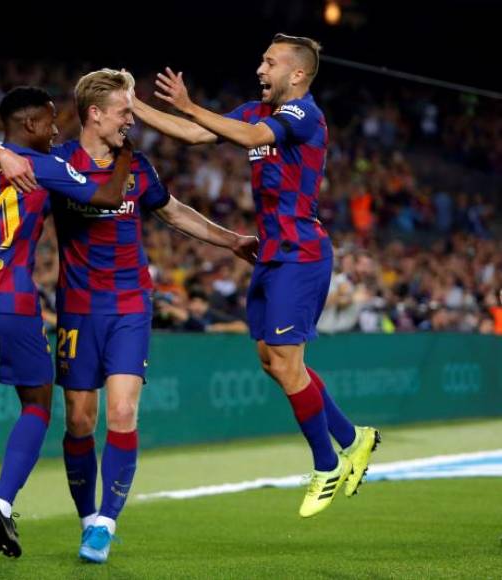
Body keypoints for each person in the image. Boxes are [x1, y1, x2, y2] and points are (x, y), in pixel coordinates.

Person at [0, 69, 256, 562]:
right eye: (125, 110)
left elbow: (175, 212)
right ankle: (86, 518)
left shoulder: (137, 166)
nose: (131, 119)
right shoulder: (56, 162)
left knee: (121, 411)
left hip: (128, 306)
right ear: (95, 115)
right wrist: (1, 152)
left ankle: (105, 521)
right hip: (77, 309)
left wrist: (232, 241)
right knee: (80, 420)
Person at [134, 33, 380, 517]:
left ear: (297, 74)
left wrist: (189, 103)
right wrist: (134, 106)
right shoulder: (255, 109)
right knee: (272, 361)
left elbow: (248, 139)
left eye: (270, 62)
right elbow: (194, 134)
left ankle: (326, 463)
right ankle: (355, 438)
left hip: (301, 252)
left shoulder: (303, 114)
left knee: (288, 363)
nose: (260, 69)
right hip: (270, 253)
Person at [0, 86, 133, 563]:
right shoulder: (43, 167)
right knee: (38, 404)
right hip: (13, 302)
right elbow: (106, 196)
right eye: (50, 121)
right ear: (31, 126)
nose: (57, 130)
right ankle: (1, 502)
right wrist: (124, 153)